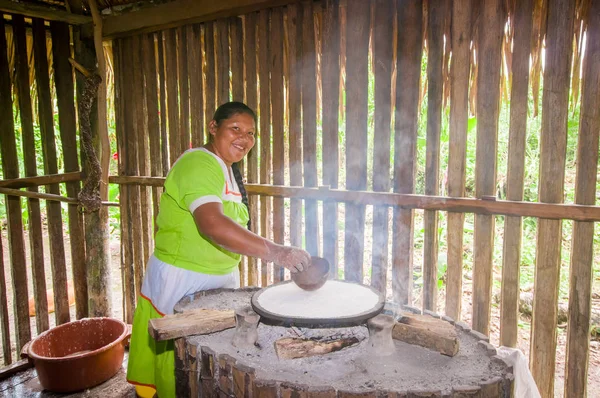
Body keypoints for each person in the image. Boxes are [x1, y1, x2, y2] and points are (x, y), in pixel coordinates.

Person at [126, 102, 311, 398]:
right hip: (183, 278)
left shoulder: (225, 168)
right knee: (179, 364)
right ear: (213, 127)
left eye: (251, 133)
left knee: (205, 360)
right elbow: (211, 224)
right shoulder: (198, 163)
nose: (244, 138)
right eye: (235, 128)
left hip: (218, 278)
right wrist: (278, 252)